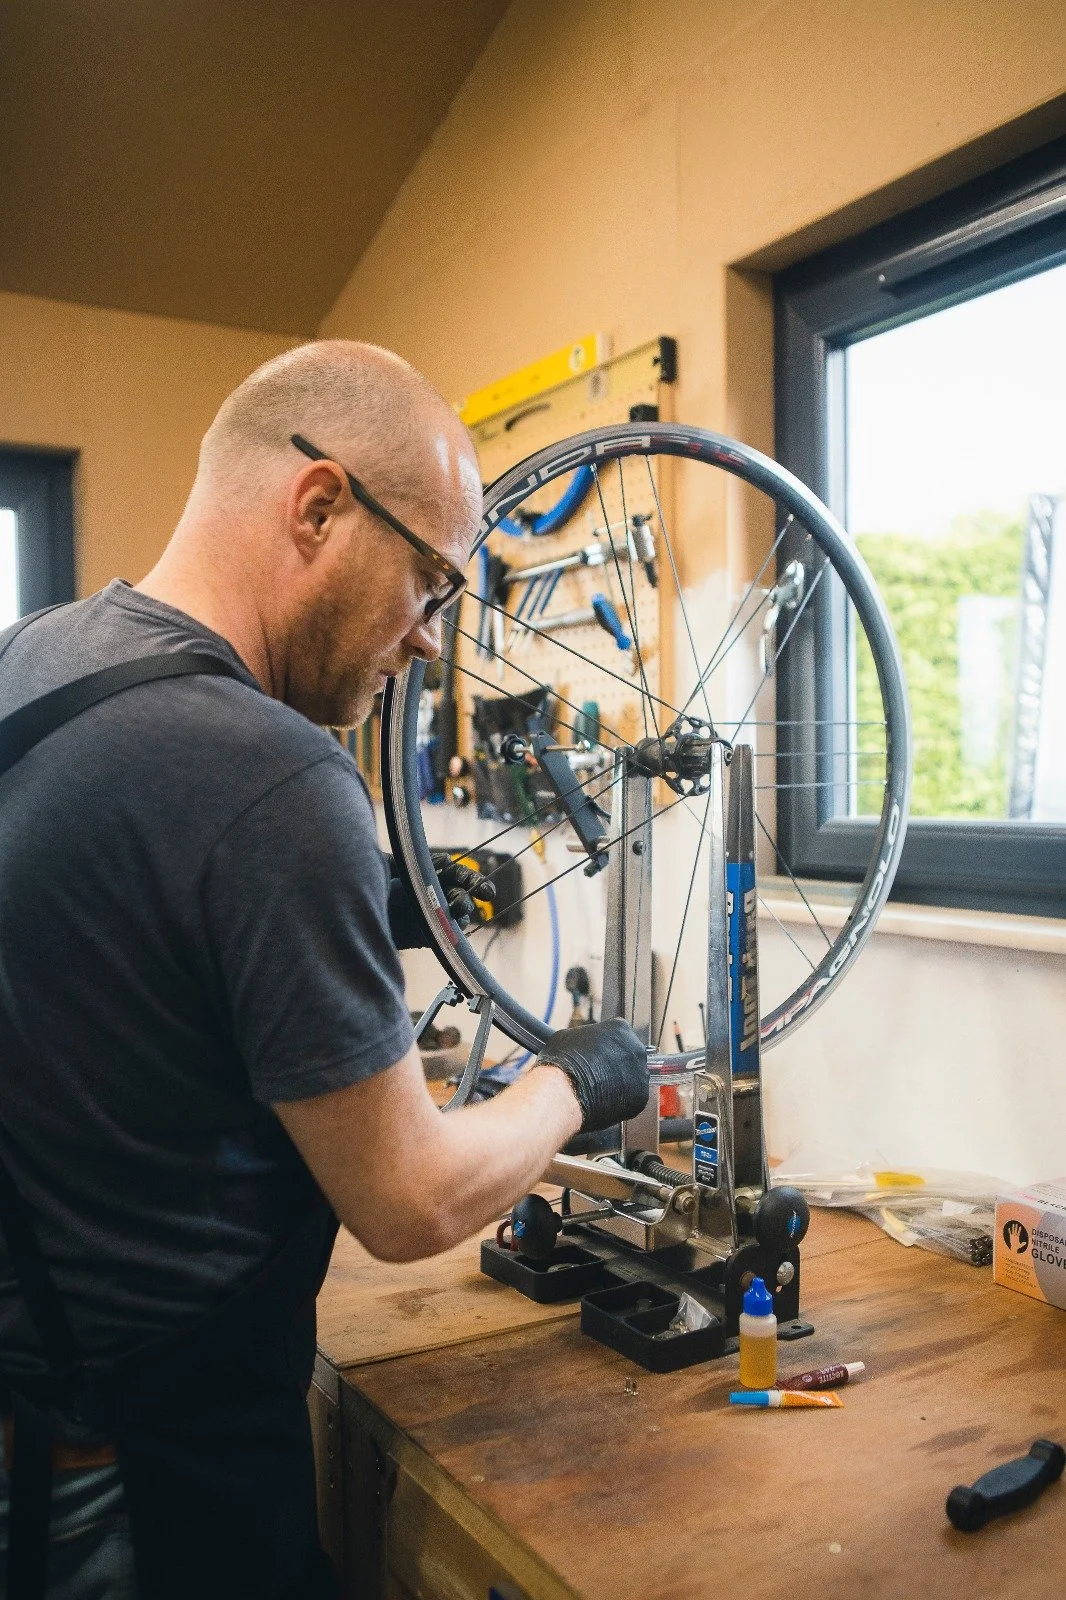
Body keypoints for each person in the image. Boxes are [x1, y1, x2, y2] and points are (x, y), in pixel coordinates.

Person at [0, 341, 650, 1599]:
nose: (424, 640)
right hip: (145, 1483)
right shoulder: (276, 774)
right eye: (428, 581)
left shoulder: (36, 658)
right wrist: (580, 1076)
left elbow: (114, 942)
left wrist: (357, 910)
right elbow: (409, 1203)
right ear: (318, 506)